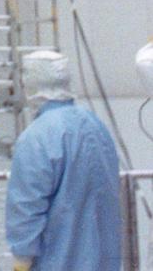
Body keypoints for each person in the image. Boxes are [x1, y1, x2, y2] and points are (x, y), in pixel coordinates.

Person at [6, 49, 121, 271]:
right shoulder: (95, 126)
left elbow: (26, 205)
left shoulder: (37, 136)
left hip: (57, 261)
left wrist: (22, 259)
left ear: (31, 83)